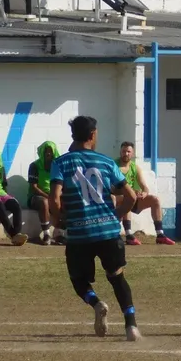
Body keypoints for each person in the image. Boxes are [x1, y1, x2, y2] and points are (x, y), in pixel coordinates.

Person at [50, 116, 142, 341]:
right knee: (117, 277)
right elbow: (130, 196)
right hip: (108, 232)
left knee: (78, 279)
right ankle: (131, 326)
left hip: (79, 233)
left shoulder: (61, 163)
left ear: (74, 136)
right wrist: (116, 216)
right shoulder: (106, 162)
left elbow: (54, 200)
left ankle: (96, 302)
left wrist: (58, 222)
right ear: (92, 135)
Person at [115, 141, 176, 246]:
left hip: (133, 197)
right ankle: (128, 234)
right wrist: (129, 193)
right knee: (127, 198)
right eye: (124, 151)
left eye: (128, 151)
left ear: (132, 153)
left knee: (155, 200)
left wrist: (144, 193)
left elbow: (144, 187)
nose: (126, 154)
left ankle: (160, 235)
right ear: (120, 152)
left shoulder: (135, 168)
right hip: (118, 199)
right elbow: (111, 187)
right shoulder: (114, 166)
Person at [28, 140, 61, 245]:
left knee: (66, 200)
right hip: (36, 197)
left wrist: (56, 196)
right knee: (44, 202)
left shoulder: (58, 167)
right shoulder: (34, 166)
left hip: (53, 195)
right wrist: (49, 197)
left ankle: (59, 233)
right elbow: (34, 187)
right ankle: (46, 234)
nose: (48, 154)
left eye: (50, 151)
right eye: (46, 151)